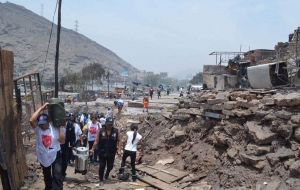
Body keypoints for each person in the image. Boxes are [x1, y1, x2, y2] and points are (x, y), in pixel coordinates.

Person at [29, 103, 65, 190]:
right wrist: (41, 108)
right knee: (47, 176)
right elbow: (31, 120)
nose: (42, 125)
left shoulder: (55, 128)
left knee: (57, 176)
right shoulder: (38, 129)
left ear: (48, 122)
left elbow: (62, 141)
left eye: (44, 124)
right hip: (43, 156)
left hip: (55, 154)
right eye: (40, 124)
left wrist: (61, 128)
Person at [90, 117, 121, 185]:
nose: (109, 126)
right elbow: (96, 141)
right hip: (102, 151)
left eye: (111, 124)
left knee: (110, 166)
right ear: (106, 123)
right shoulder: (101, 130)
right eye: (108, 124)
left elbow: (119, 141)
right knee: (102, 166)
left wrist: (119, 149)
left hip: (111, 152)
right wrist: (92, 149)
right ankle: (101, 179)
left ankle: (107, 173)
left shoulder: (116, 131)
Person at [61, 112, 76, 178]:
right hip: (58, 145)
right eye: (64, 119)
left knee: (65, 161)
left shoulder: (70, 125)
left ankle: (63, 172)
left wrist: (72, 144)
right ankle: (58, 174)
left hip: (66, 145)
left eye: (66, 119)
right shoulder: (58, 125)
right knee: (58, 161)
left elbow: (73, 136)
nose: (65, 120)